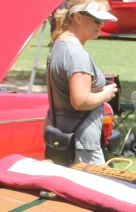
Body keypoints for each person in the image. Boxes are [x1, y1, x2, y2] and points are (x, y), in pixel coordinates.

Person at [46, 0, 119, 166]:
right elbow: (80, 101)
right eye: (96, 20)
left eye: (103, 21)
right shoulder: (77, 54)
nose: (101, 25)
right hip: (81, 143)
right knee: (95, 189)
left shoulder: (58, 44)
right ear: (77, 17)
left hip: (61, 135)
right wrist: (105, 94)